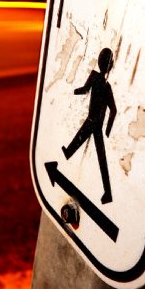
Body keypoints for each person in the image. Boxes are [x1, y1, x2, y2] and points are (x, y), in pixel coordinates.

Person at [62, 48, 117, 204]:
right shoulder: (105, 85)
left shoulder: (99, 80)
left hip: (94, 122)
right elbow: (113, 110)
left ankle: (108, 192)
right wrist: (107, 129)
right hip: (95, 122)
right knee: (97, 155)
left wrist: (107, 130)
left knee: (100, 157)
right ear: (110, 65)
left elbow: (85, 90)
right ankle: (107, 192)